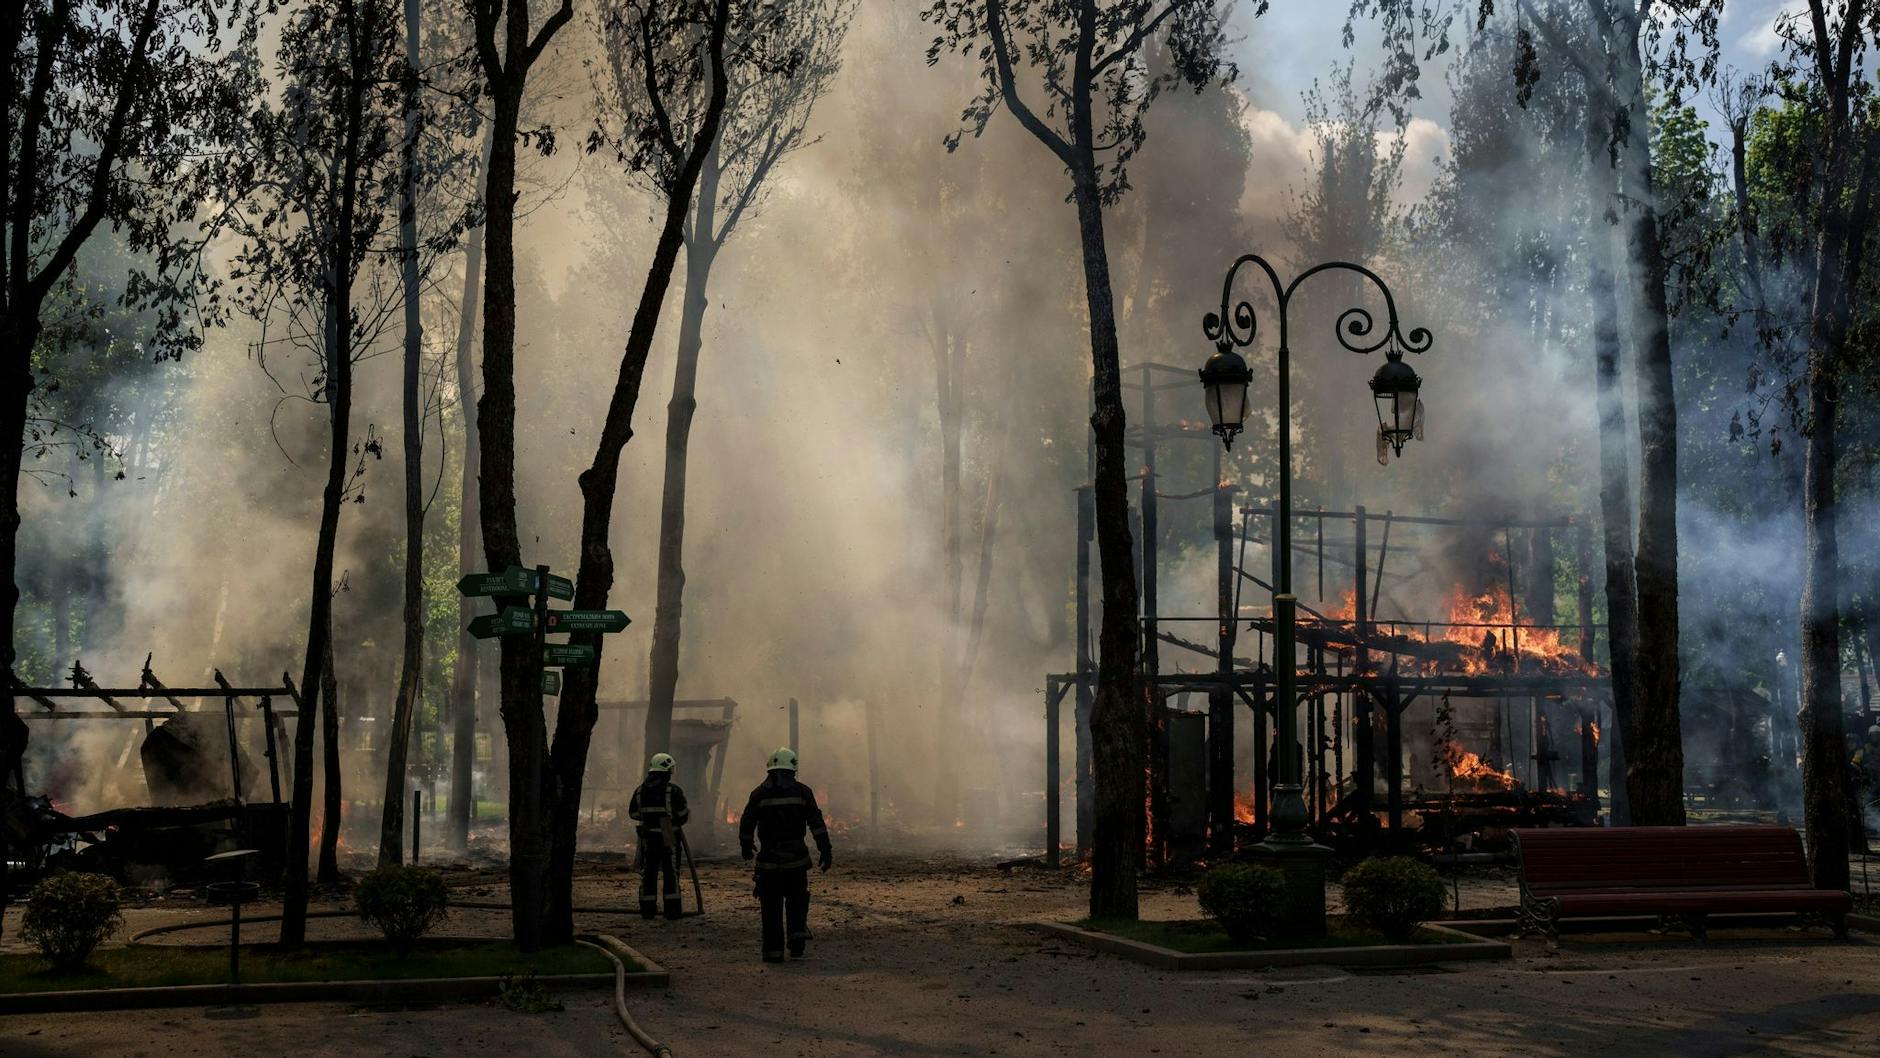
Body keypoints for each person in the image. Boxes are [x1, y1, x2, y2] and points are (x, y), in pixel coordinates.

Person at [739, 747, 833, 963]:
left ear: (770, 769)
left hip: (769, 862)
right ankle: (797, 939)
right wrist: (825, 849)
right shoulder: (803, 792)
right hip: (796, 861)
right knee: (797, 901)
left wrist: (746, 845)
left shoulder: (758, 794)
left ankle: (773, 953)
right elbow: (816, 823)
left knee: (770, 908)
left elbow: (747, 822)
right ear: (793, 769)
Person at [628, 752, 690, 920]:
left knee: (648, 872)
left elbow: (633, 814)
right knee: (671, 872)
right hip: (668, 832)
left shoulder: (639, 791)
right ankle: (672, 911)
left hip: (648, 835)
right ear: (666, 770)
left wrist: (649, 818)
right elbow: (682, 814)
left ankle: (647, 910)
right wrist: (671, 820)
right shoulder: (673, 790)